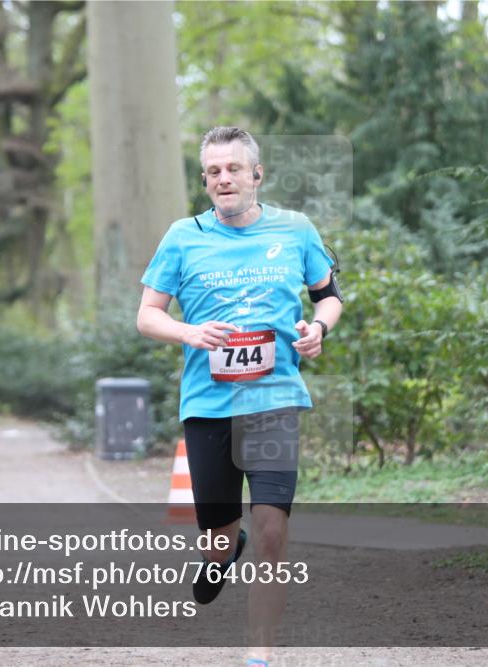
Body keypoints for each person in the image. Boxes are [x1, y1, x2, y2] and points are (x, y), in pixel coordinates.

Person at [137, 126, 343, 666]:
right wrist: (188, 333)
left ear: (257, 174)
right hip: (209, 406)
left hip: (275, 401)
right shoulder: (183, 236)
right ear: (204, 180)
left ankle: (259, 656)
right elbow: (147, 315)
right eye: (213, 172)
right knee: (219, 535)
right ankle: (222, 553)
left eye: (232, 169)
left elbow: (329, 298)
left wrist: (318, 329)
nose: (223, 179)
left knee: (273, 529)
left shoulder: (295, 230)